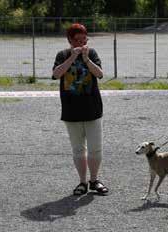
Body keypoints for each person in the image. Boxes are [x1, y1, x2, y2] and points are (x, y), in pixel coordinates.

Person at [52, 23, 108, 195]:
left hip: (93, 109)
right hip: (71, 110)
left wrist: (86, 59)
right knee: (78, 149)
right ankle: (82, 182)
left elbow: (99, 74)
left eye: (84, 40)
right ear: (69, 40)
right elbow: (56, 74)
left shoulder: (91, 53)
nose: (82, 43)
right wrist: (71, 57)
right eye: (77, 40)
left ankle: (94, 180)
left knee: (95, 148)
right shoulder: (62, 55)